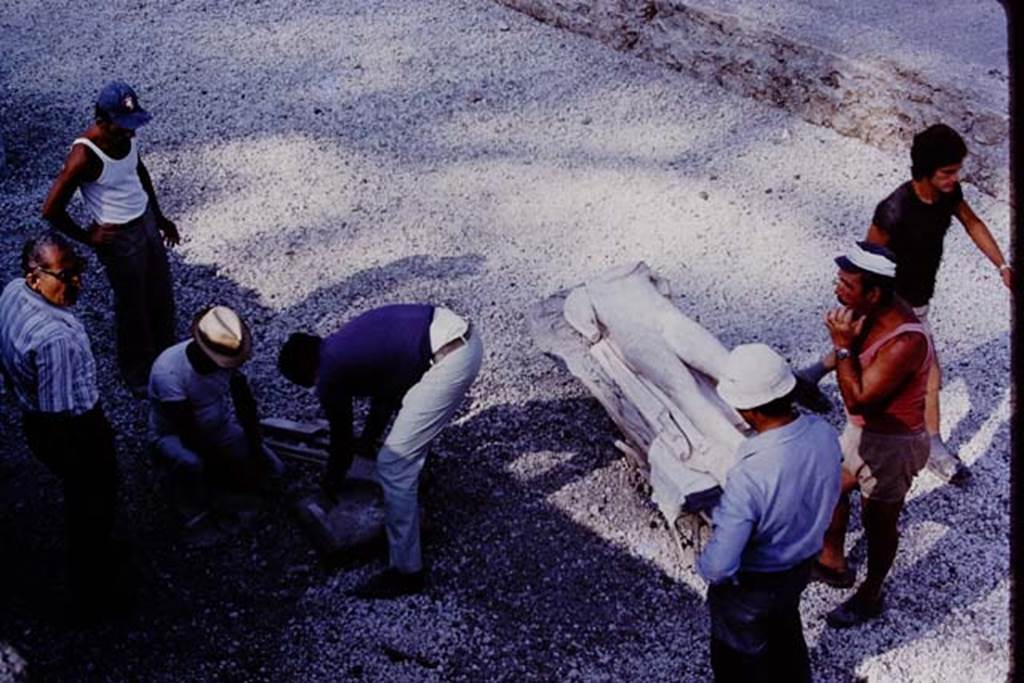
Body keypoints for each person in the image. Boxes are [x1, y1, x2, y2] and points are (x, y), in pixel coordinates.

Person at [800, 124, 1012, 484]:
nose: (954, 179)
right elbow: (865, 264)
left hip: (918, 300)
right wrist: (869, 307)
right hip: (895, 306)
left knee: (856, 342)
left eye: (956, 171)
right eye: (947, 172)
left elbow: (972, 222)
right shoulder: (893, 211)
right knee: (930, 373)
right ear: (925, 171)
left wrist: (1002, 265)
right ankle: (934, 446)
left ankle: (808, 376)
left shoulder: (949, 194)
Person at [279, 304, 483, 598]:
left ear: (305, 372)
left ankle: (406, 572)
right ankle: (417, 483)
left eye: (308, 383)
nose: (314, 387)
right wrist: (367, 441)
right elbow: (386, 397)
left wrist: (331, 485)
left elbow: (341, 440)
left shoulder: (328, 371)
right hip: (459, 338)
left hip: (451, 358)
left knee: (393, 464)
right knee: (404, 431)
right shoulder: (343, 346)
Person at [0, 232, 129, 616]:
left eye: (79, 271)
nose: (77, 283)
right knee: (91, 503)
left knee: (87, 500)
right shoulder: (55, 339)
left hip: (33, 417)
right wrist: (84, 459)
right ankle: (92, 588)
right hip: (73, 430)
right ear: (34, 276)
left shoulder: (11, 292)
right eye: (65, 275)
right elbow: (59, 416)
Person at [697, 344, 841, 682]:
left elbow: (720, 565)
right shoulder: (824, 434)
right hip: (799, 567)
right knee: (786, 629)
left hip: (754, 582)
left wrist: (704, 565)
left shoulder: (751, 472)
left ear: (748, 411)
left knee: (739, 659)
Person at [814, 242, 932, 628]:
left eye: (846, 284)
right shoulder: (867, 310)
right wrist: (811, 373)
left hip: (892, 446)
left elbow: (860, 399)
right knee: (826, 485)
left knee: (879, 524)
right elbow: (844, 360)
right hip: (860, 432)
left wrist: (842, 346)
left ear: (875, 292)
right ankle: (832, 562)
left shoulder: (905, 341)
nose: (837, 290)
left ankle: (871, 594)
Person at [42, 81, 179, 396]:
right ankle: (137, 373)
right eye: (122, 128)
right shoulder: (83, 156)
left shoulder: (127, 138)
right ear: (101, 121)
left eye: (133, 127)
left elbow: (139, 171)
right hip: (119, 235)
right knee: (132, 306)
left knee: (160, 292)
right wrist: (89, 237)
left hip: (143, 219)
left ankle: (167, 355)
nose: (130, 134)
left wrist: (158, 217)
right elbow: (51, 209)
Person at [148, 306, 282, 529]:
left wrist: (255, 449)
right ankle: (187, 501)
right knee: (193, 463)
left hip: (218, 427)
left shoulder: (227, 350)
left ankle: (223, 488)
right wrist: (230, 472)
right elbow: (189, 434)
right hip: (173, 435)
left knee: (275, 469)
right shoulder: (168, 373)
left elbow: (245, 407)